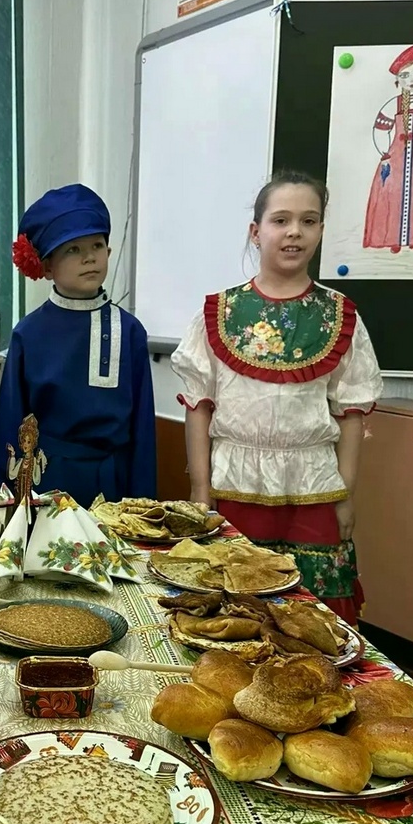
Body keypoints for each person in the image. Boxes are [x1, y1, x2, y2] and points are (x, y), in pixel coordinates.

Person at [172, 170, 383, 625]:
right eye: (281, 220)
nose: (294, 232)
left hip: (315, 488)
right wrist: (200, 490)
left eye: (309, 221)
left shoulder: (338, 315)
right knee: (234, 609)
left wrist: (346, 496)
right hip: (233, 483)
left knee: (316, 618)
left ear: (321, 230)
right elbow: (199, 407)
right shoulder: (218, 312)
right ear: (256, 231)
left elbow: (350, 414)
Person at [0, 183, 156, 508]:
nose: (89, 257)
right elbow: (10, 426)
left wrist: (143, 505)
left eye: (97, 245)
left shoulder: (130, 331)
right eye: (73, 249)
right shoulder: (28, 334)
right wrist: (6, 506)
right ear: (47, 266)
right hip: (48, 484)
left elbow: (143, 432)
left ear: (109, 252)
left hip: (115, 487)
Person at [363, 45, 413, 253]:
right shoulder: (393, 104)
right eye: (406, 75)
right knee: (391, 193)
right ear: (397, 78)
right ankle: (392, 239)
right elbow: (380, 130)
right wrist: (385, 154)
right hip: (395, 157)